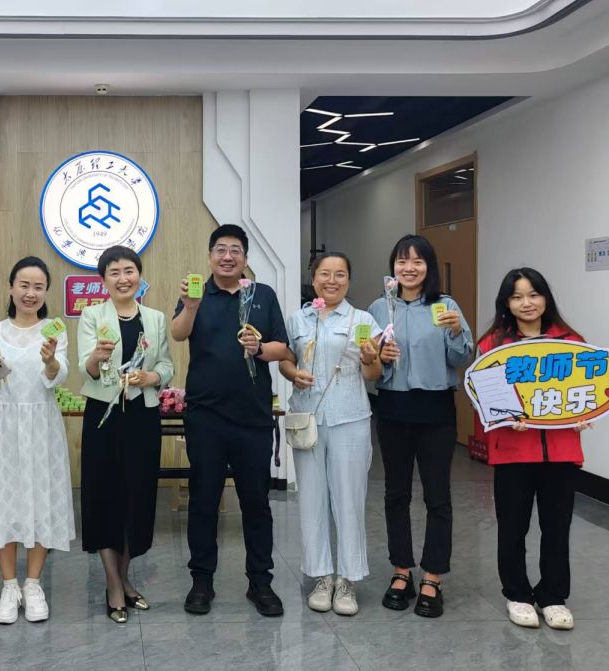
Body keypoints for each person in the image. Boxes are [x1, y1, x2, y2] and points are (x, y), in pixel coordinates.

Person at [172, 224, 290, 617]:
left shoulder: (262, 295)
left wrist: (259, 348)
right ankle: (201, 582)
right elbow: (178, 334)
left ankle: (260, 582)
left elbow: (282, 347)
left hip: (252, 417)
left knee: (256, 502)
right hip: (205, 417)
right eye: (220, 249)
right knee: (204, 501)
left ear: (245, 258)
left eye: (235, 250)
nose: (227, 256)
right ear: (210, 256)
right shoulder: (195, 294)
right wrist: (190, 307)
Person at [0, 256, 76, 624]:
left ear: (45, 292)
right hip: (2, 426)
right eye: (24, 285)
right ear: (11, 288)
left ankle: (34, 583)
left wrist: (51, 360)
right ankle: (9, 585)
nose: (31, 293)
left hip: (42, 425)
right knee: (4, 499)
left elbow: (59, 376)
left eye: (38, 287)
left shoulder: (53, 330)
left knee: (41, 498)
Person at [477, 267, 588, 631]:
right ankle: (517, 593)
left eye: (533, 294)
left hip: (561, 450)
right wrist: (504, 416)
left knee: (557, 527)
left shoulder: (570, 341)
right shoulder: (492, 345)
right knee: (513, 527)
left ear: (545, 297)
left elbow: (585, 389)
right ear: (506, 303)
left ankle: (553, 596)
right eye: (517, 296)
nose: (527, 303)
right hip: (513, 451)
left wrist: (584, 413)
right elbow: (485, 400)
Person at [368, 234, 473, 618]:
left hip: (435, 411)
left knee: (437, 496)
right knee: (395, 494)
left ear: (429, 267)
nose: (409, 268)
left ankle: (432, 576)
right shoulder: (379, 308)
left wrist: (457, 331)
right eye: (402, 261)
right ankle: (401, 571)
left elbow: (461, 358)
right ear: (393, 267)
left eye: (417, 261)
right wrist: (380, 356)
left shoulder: (445, 306)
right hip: (393, 408)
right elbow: (369, 362)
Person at [279, 252, 382, 616]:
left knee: (349, 499)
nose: (332, 280)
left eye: (340, 274)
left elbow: (373, 374)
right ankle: (321, 576)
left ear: (348, 281)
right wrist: (293, 374)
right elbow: (286, 359)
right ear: (314, 279)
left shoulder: (363, 320)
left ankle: (348, 579)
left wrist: (370, 357)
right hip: (307, 419)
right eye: (325, 274)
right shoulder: (298, 318)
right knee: (311, 499)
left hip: (350, 419)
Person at [77, 246, 173, 624]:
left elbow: (166, 364)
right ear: (103, 280)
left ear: (139, 276)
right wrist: (97, 358)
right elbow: (86, 368)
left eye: (129, 270)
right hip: (103, 414)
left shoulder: (155, 318)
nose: (122, 278)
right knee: (104, 496)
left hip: (141, 416)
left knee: (137, 496)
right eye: (114, 272)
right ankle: (114, 583)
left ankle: (126, 575)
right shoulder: (92, 315)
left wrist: (153, 376)